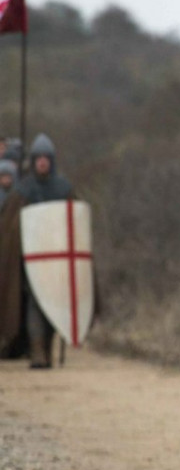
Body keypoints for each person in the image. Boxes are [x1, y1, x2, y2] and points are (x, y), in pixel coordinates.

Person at [0, 134, 76, 367]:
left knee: (53, 304)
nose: (42, 162)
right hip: (32, 259)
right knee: (35, 301)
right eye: (38, 158)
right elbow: (10, 228)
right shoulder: (23, 191)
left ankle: (46, 349)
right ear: (33, 161)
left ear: (52, 160)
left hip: (57, 257)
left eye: (46, 158)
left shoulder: (64, 188)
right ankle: (37, 352)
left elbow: (74, 222)